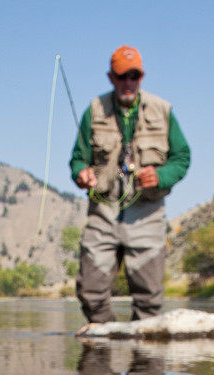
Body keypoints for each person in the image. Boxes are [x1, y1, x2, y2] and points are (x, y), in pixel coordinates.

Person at [70, 45, 191, 325]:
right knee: (90, 294)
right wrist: (82, 174)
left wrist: (162, 176)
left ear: (142, 77)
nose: (128, 83)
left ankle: (144, 365)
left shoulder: (163, 110)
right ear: (111, 77)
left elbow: (182, 157)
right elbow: (78, 159)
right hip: (103, 212)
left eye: (134, 76)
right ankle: (104, 350)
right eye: (122, 76)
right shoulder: (94, 110)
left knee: (149, 301)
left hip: (147, 213)